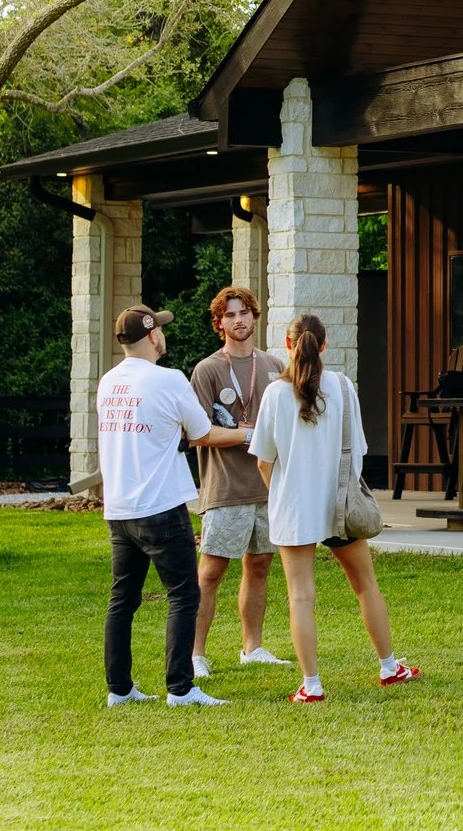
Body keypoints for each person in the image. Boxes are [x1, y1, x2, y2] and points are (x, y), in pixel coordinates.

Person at [247, 314, 418, 702]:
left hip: (294, 508)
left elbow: (263, 460)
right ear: (324, 346)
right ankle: (390, 667)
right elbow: (358, 451)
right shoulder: (342, 387)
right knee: (365, 584)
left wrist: (282, 493)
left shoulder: (275, 394)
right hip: (340, 506)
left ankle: (312, 686)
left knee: (300, 597)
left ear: (288, 345)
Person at [95, 304, 251, 708]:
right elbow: (202, 433)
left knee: (122, 600)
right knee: (183, 594)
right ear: (152, 335)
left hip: (119, 508)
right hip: (161, 506)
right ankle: (180, 688)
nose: (162, 335)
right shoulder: (169, 379)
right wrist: (249, 434)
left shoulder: (108, 383)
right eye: (160, 329)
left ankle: (119, 689)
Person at [186, 285, 289, 680]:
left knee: (260, 565)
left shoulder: (274, 365)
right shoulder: (208, 369)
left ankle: (253, 648)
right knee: (210, 572)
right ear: (219, 323)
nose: (238, 320)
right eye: (229, 315)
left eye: (244, 312)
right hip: (226, 487)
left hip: (267, 486)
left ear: (254, 316)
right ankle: (195, 654)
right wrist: (248, 434)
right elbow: (198, 433)